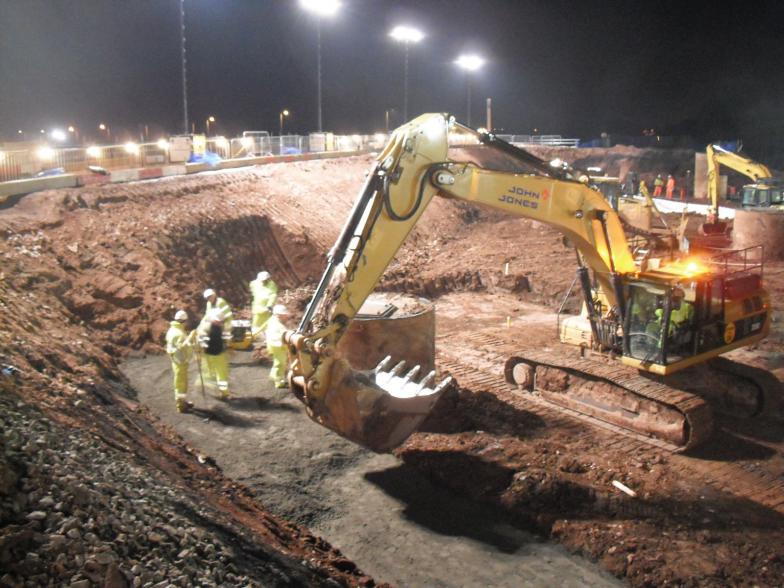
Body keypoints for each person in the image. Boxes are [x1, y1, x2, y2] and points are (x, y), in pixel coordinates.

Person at [165, 310, 196, 413]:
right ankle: (180, 405)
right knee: (181, 384)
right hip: (180, 361)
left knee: (182, 383)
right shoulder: (179, 333)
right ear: (184, 321)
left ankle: (183, 401)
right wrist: (190, 338)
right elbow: (183, 346)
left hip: (176, 360)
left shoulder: (172, 330)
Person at [198, 308, 231, 399]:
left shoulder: (222, 325)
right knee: (209, 373)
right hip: (208, 354)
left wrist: (227, 344)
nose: (220, 322)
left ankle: (224, 393)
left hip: (220, 353)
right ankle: (210, 389)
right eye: (218, 321)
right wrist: (201, 348)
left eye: (221, 321)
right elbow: (201, 340)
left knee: (222, 374)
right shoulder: (205, 327)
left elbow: (226, 336)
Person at [265, 304, 291, 389]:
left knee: (277, 361)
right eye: (285, 316)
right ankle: (279, 381)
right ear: (279, 315)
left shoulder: (273, 321)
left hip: (273, 345)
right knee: (280, 363)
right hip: (278, 346)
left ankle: (273, 376)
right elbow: (283, 335)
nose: (286, 317)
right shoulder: (278, 325)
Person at [249, 271, 278, 339]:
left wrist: (269, 305)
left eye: (265, 280)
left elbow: (273, 295)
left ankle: (266, 339)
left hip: (266, 309)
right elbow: (253, 291)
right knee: (256, 324)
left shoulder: (271, 285)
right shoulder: (254, 283)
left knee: (267, 325)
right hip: (257, 308)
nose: (264, 281)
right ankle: (256, 337)